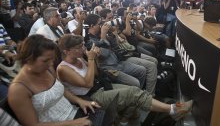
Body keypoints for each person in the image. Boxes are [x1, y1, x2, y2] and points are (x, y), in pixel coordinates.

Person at [57, 34, 193, 124]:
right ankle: (172, 109)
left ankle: (124, 120)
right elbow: (87, 83)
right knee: (132, 93)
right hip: (90, 97)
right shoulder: (63, 68)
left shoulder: (80, 59)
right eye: (78, 47)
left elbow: (96, 74)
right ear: (66, 51)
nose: (82, 48)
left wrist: (95, 59)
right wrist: (91, 58)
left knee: (134, 88)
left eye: (82, 45)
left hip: (99, 87)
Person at [8, 35, 102, 126]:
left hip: (74, 113)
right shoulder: (18, 89)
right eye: (45, 60)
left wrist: (79, 101)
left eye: (52, 60)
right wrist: (72, 123)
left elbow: (60, 89)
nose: (50, 64)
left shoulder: (48, 69)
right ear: (28, 59)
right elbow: (32, 124)